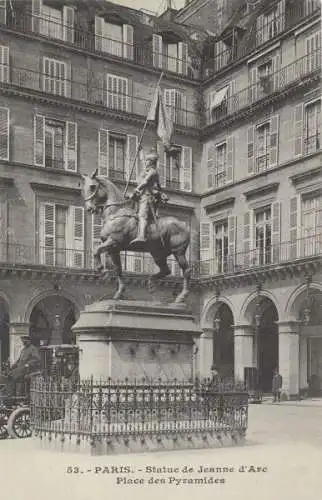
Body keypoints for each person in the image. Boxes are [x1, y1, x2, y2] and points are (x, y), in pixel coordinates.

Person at [129, 147, 168, 246]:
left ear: (151, 162)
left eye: (147, 161)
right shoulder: (147, 170)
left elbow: (145, 181)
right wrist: (140, 150)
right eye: (146, 160)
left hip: (147, 197)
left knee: (142, 215)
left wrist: (137, 188)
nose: (145, 162)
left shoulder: (153, 172)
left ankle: (142, 235)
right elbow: (142, 160)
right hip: (140, 197)